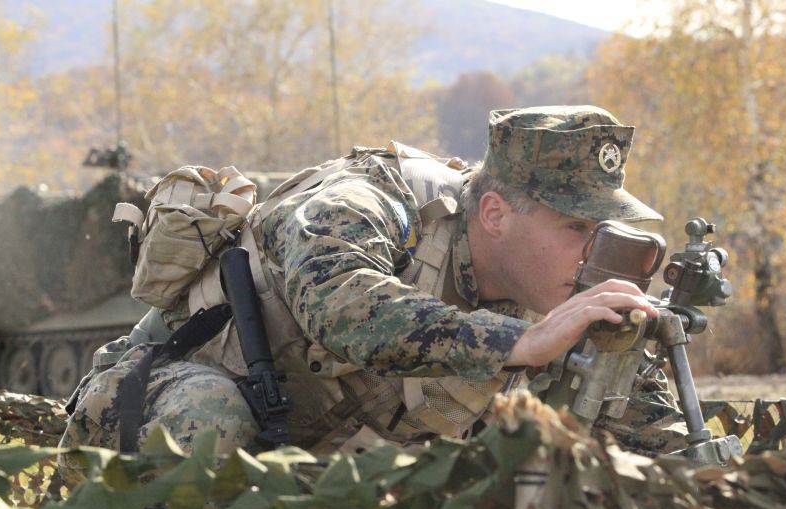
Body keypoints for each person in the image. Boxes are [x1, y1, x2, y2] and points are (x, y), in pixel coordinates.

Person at [59, 105, 685, 462]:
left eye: (601, 227)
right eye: (577, 225)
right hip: (148, 404)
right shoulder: (371, 199)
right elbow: (340, 302)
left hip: (322, 461)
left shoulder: (552, 291)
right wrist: (518, 342)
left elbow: (654, 446)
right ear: (495, 214)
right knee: (208, 416)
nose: (594, 248)